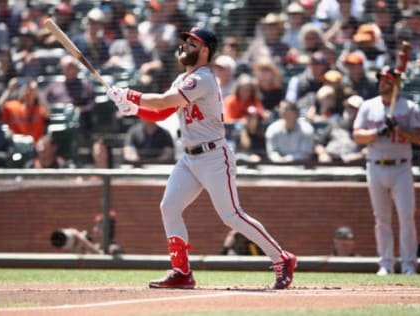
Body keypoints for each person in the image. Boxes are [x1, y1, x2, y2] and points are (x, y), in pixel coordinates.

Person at [106, 27, 296, 289]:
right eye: (185, 41)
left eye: (191, 43)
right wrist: (135, 109)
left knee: (231, 215)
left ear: (205, 50)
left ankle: (282, 258)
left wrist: (130, 95)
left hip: (214, 156)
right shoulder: (184, 78)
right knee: (169, 207)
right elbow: (162, 113)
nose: (184, 46)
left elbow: (162, 102)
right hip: (189, 158)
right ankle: (182, 271)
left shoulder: (203, 78)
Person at [353, 66, 420, 275]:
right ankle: (386, 263)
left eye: (387, 80)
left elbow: (419, 137)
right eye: (381, 79)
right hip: (375, 165)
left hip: (401, 166)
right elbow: (357, 136)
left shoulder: (408, 107)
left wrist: (399, 129)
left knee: (406, 215)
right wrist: (378, 132)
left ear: (396, 83)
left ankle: (409, 264)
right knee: (381, 218)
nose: (382, 83)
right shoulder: (368, 106)